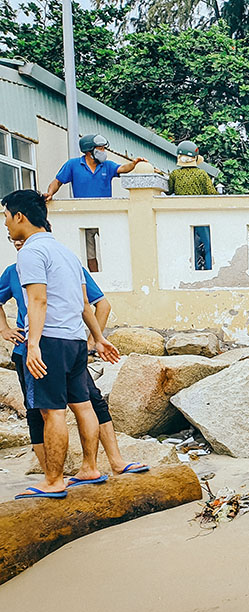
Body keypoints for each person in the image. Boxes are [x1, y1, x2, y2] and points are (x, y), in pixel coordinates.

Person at [2, 190, 121, 499]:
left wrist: (34, 345)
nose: (5, 224)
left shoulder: (29, 252)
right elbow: (85, 303)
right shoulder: (67, 253)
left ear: (20, 216)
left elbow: (38, 300)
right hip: (75, 340)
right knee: (82, 406)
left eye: (6, 216)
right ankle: (90, 468)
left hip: (50, 340)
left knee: (51, 412)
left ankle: (54, 480)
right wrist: (97, 336)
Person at [1, 237, 149, 478]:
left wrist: (93, 342)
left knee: (84, 402)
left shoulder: (64, 263)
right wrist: (4, 329)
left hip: (56, 345)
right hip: (33, 349)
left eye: (19, 235)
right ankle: (54, 475)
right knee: (38, 411)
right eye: (12, 239)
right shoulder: (13, 271)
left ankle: (108, 464)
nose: (17, 241)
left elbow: (98, 304)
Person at [44, 134, 147, 200]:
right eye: (100, 149)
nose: (103, 152)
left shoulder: (107, 165)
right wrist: (50, 193)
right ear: (89, 151)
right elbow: (57, 181)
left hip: (104, 211)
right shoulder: (73, 165)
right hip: (82, 211)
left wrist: (133, 164)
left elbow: (123, 169)